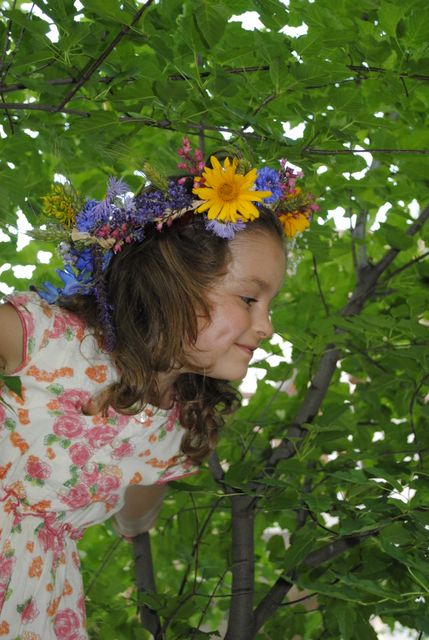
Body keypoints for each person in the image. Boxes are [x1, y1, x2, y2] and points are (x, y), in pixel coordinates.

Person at [0, 141, 316, 638]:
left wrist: (140, 501)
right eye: (249, 298)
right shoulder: (52, 342)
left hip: (35, 602)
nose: (266, 326)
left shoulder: (175, 432)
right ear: (171, 282)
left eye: (269, 305)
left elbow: (135, 516)